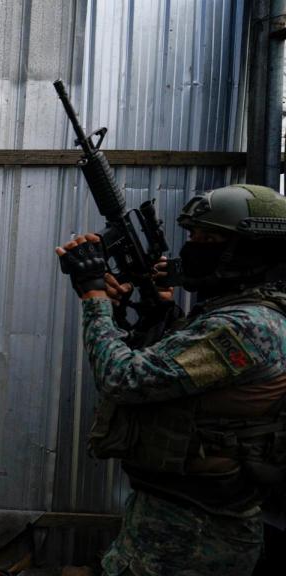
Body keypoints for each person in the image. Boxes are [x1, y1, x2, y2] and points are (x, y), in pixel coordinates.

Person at [55, 184, 286, 575]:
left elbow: (122, 377)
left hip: (194, 536)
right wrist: (155, 310)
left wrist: (94, 300)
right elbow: (180, 366)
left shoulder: (246, 326)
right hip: (175, 514)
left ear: (250, 251)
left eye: (209, 237)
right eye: (193, 235)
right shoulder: (239, 313)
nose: (194, 246)